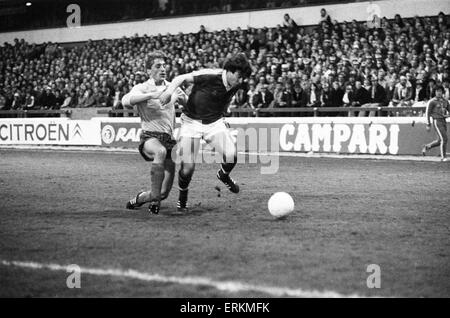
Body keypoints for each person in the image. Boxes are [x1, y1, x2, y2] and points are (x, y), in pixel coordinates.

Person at [159, 53, 252, 213]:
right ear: (229, 71)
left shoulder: (237, 84)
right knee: (188, 168)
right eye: (239, 75)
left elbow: (223, 98)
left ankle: (223, 175)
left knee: (232, 155)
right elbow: (180, 78)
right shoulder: (210, 76)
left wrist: (223, 115)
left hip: (214, 123)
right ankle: (183, 197)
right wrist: (168, 92)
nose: (241, 80)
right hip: (191, 122)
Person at [123, 51, 187, 214]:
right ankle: (155, 203)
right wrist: (151, 95)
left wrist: (187, 102)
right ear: (148, 70)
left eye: (164, 65)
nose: (162, 68)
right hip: (149, 137)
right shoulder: (142, 88)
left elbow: (191, 105)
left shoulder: (173, 87)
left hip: (168, 140)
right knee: (160, 151)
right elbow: (125, 101)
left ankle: (139, 199)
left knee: (163, 193)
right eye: (157, 66)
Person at [422, 85, 450, 162]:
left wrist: (447, 115)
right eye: (437, 91)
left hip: (443, 121)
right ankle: (443, 157)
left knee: (439, 140)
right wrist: (428, 124)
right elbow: (427, 112)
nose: (439, 93)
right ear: (435, 92)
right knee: (444, 139)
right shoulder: (432, 101)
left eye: (440, 91)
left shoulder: (445, 101)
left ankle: (427, 147)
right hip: (437, 121)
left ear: (442, 92)